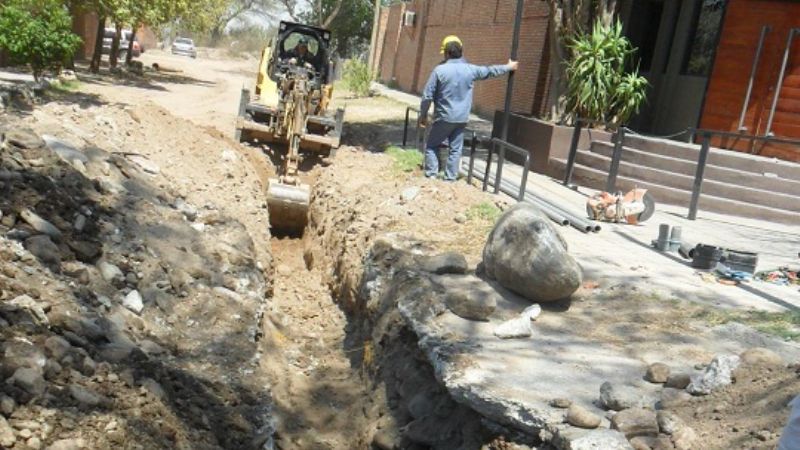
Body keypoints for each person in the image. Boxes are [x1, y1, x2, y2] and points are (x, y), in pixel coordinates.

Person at [419, 35, 518, 180]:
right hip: (461, 119)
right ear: (461, 51)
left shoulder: (439, 71)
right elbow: (490, 71)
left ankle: (431, 176)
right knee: (455, 149)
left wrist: (423, 115)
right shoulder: (470, 70)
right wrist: (509, 67)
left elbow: (427, 96)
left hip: (444, 117)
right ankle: (450, 179)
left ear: (446, 53)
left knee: (432, 145)